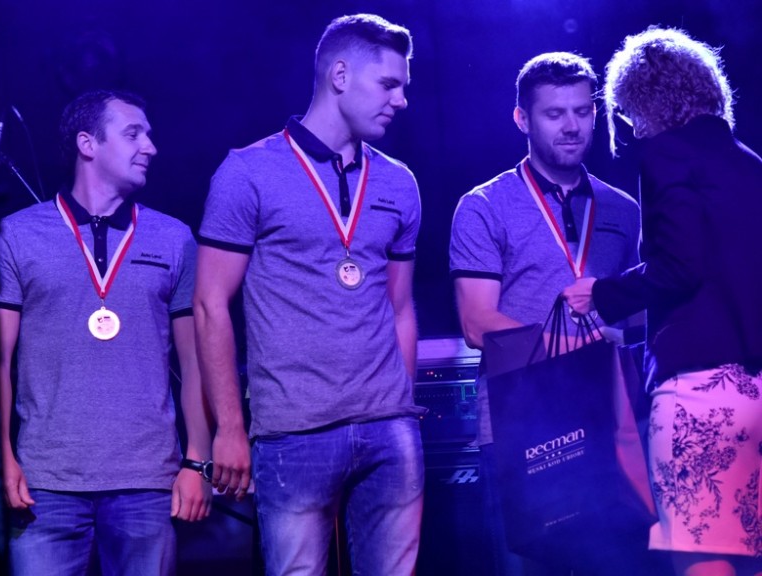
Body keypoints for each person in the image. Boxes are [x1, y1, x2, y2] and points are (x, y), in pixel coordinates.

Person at [195, 13, 424, 575]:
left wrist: (403, 411)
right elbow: (209, 306)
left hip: (388, 428)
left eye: (403, 87)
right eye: (388, 85)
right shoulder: (248, 172)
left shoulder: (399, 181)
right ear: (340, 75)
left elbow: (400, 306)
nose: (400, 101)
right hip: (293, 433)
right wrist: (229, 428)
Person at [0, 90, 211, 576]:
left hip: (148, 482)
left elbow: (195, 361)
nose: (150, 146)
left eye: (148, 134)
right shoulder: (16, 235)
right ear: (87, 144)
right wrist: (0, 457)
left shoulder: (174, 238)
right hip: (45, 483)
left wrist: (198, 459)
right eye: (133, 134)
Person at [564, 28, 762, 576]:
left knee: (703, 558)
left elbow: (679, 266)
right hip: (758, 385)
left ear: (644, 101)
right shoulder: (750, 163)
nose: (631, 127)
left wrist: (601, 293)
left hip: (702, 392)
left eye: (629, 113)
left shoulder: (665, 155)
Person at [449, 53, 645, 575]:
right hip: (519, 424)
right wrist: (576, 349)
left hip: (608, 422)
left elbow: (635, 317)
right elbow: (476, 323)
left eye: (582, 111)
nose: (571, 126)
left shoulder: (623, 209)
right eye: (554, 114)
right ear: (522, 119)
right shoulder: (484, 206)